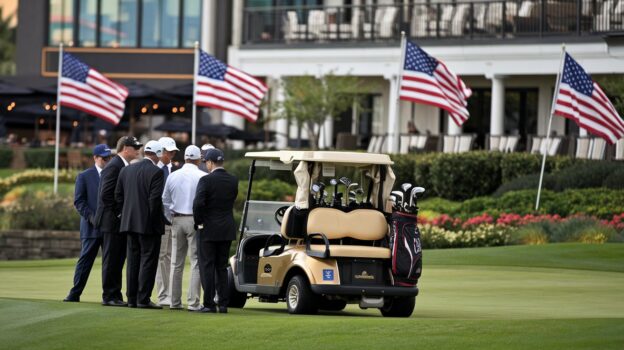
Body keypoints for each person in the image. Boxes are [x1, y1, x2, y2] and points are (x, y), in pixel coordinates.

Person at [115, 140, 166, 309]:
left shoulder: (126, 170)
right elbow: (154, 201)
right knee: (148, 261)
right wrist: (153, 224)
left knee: (133, 261)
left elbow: (118, 196)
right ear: (158, 154)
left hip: (129, 223)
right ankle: (143, 299)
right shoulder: (156, 172)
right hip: (148, 225)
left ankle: (131, 299)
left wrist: (126, 215)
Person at [95, 136, 142, 307]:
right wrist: (120, 214)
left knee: (118, 259)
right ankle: (109, 296)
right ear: (125, 148)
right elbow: (106, 195)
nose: (138, 150)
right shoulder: (114, 166)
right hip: (111, 221)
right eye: (135, 147)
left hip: (117, 221)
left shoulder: (122, 165)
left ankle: (115, 294)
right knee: (111, 259)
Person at [63, 144, 112, 302]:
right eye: (104, 158)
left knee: (109, 262)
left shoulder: (113, 174)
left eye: (108, 157)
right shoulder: (84, 176)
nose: (107, 160)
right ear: (95, 158)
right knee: (85, 261)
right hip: (90, 227)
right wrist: (92, 218)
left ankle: (109, 296)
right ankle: (75, 293)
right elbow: (79, 201)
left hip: (109, 226)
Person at [193, 148, 238, 313]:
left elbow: (198, 204)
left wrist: (199, 222)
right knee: (221, 267)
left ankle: (209, 304)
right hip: (226, 228)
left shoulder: (206, 180)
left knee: (207, 266)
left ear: (211, 162)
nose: (206, 165)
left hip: (208, 229)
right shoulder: (233, 180)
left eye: (206, 162)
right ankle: (224, 304)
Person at [162, 145, 206, 311]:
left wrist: (169, 218)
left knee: (175, 262)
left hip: (177, 219)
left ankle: (174, 302)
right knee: (195, 261)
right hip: (195, 221)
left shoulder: (173, 175)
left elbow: (165, 200)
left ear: (185, 157)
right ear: (198, 159)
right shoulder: (202, 176)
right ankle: (194, 303)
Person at [155, 136, 180, 307]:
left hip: (176, 219)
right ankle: (163, 294)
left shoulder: (176, 170)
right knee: (161, 257)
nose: (170, 155)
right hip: (160, 220)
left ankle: (172, 294)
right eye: (167, 151)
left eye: (172, 152)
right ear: (160, 152)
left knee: (173, 257)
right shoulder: (154, 169)